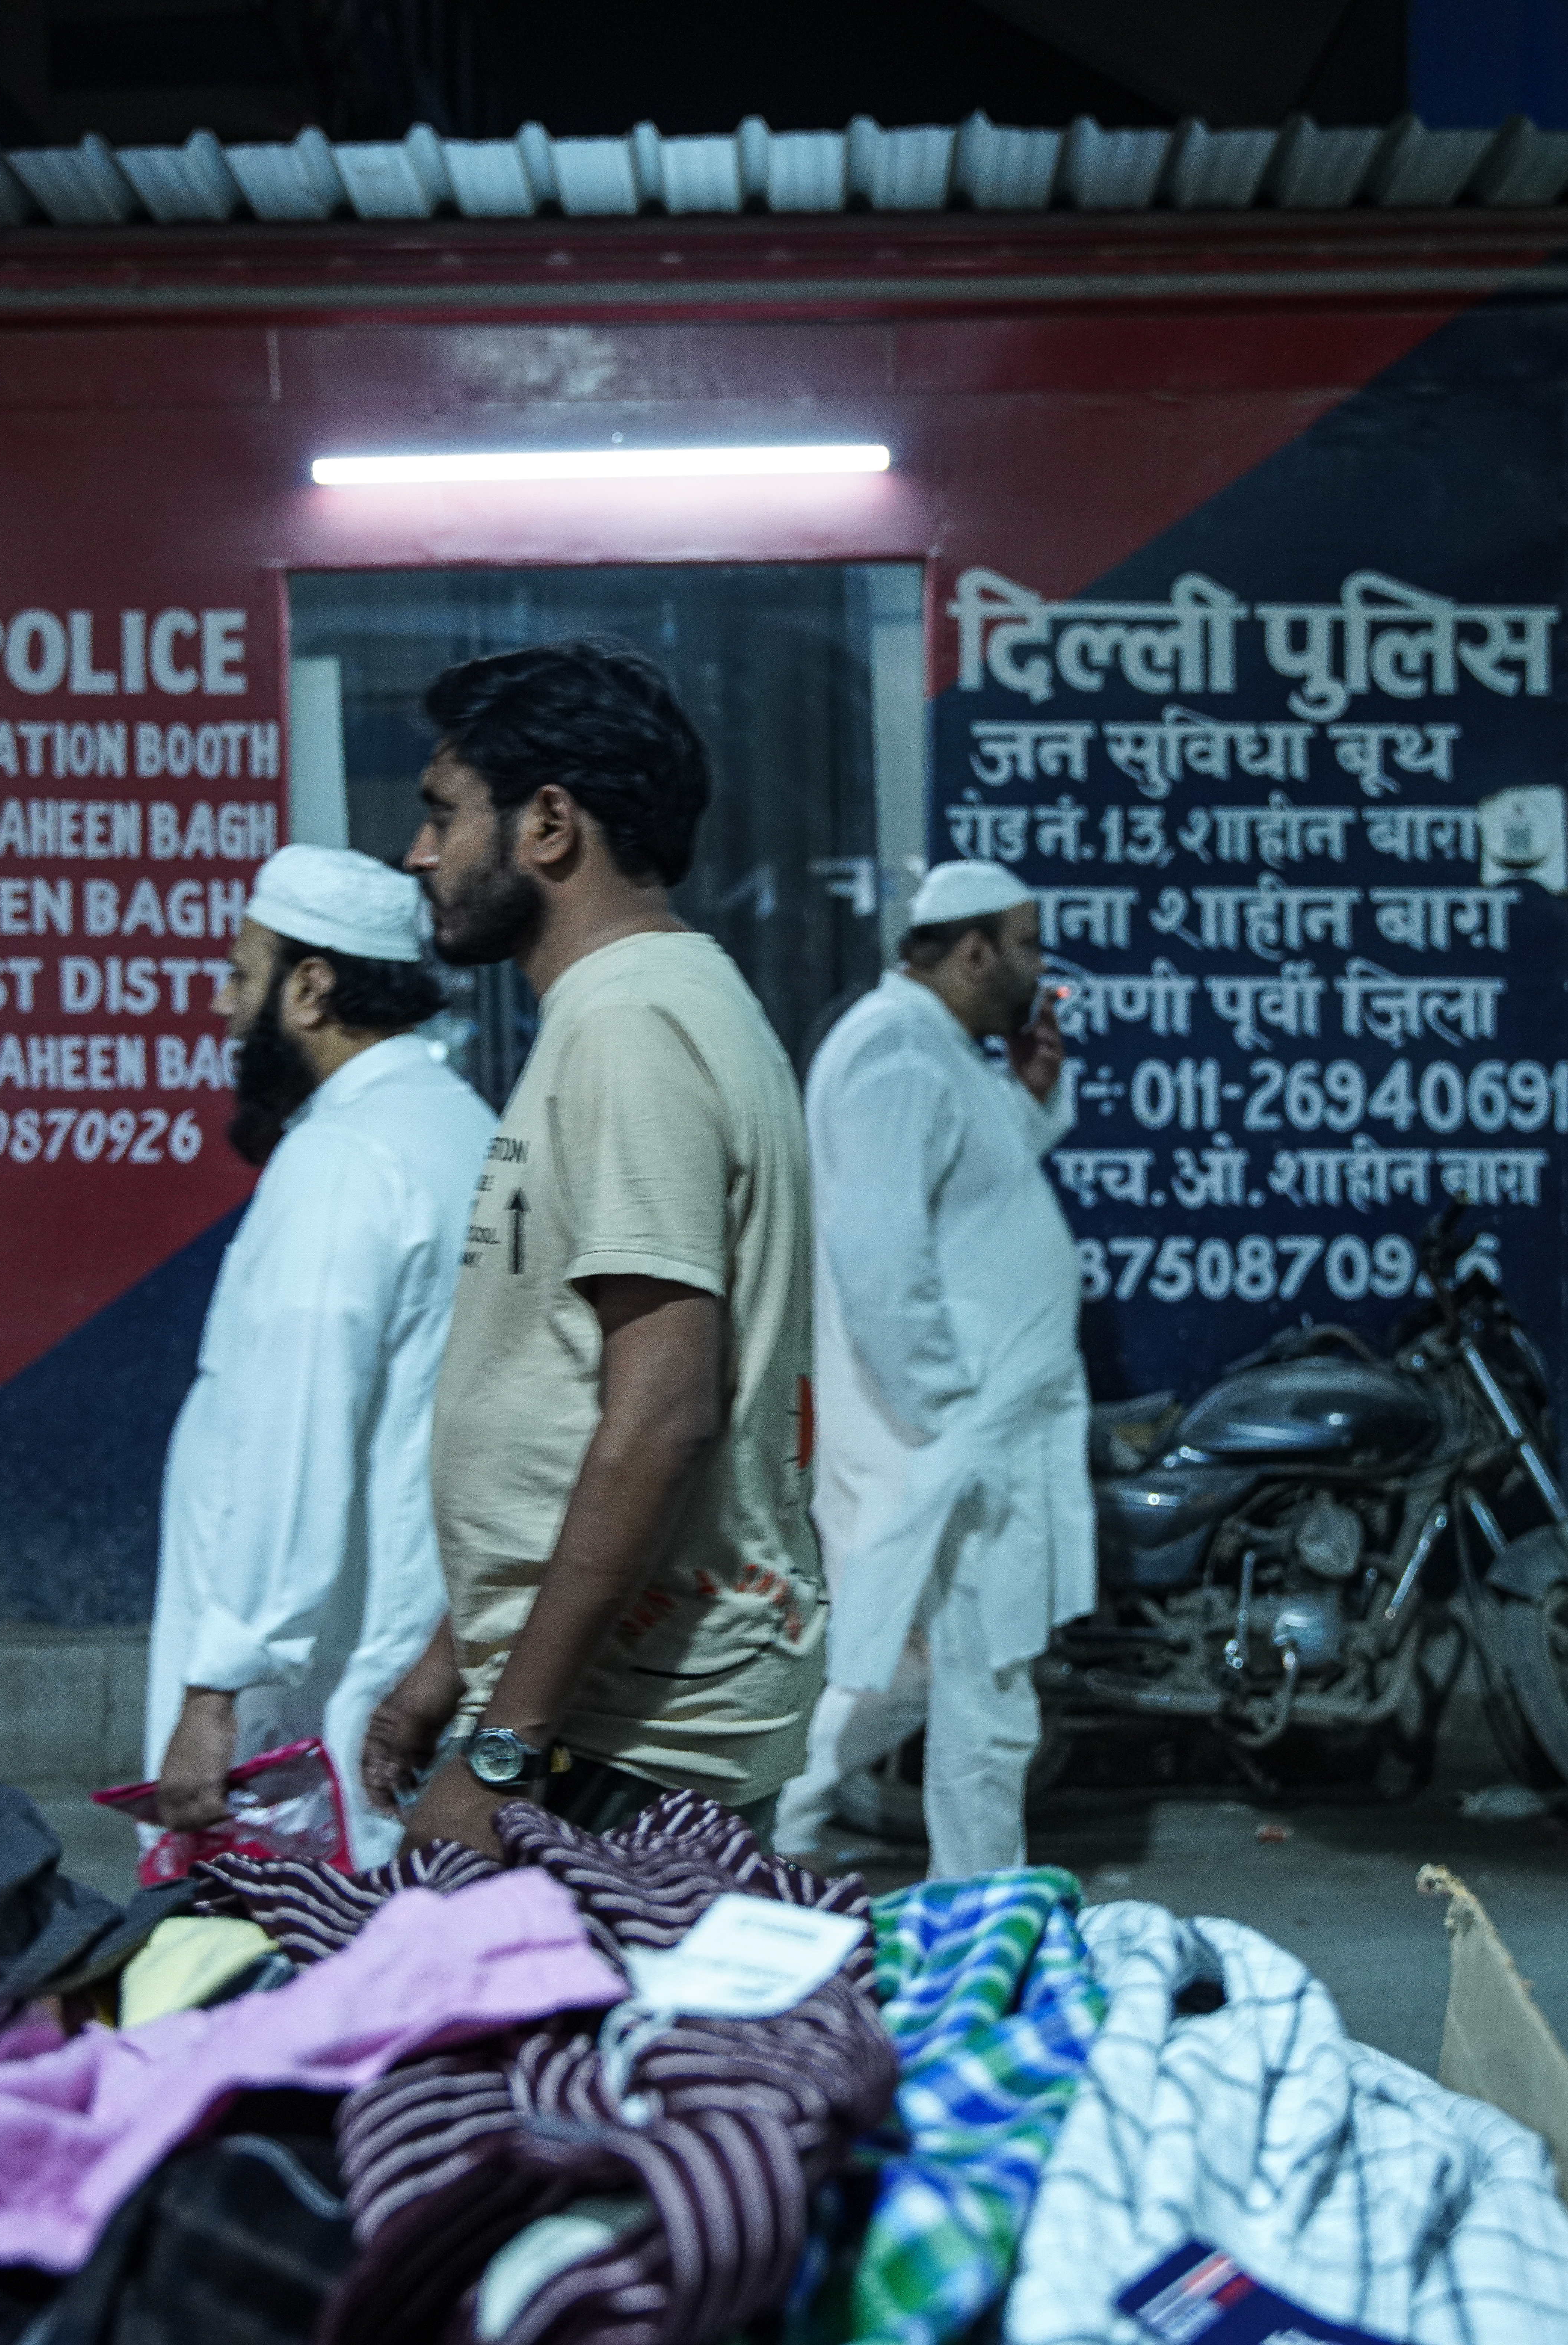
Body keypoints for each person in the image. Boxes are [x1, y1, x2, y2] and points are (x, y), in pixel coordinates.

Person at [364, 635, 822, 1856]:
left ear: (549, 825)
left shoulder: (632, 1028)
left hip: (627, 1744)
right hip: (587, 1715)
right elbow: (566, 1402)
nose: (421, 854)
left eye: (444, 815)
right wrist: (447, 1660)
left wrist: (503, 1747)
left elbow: (660, 1414)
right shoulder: (639, 1010)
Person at [142, 845, 493, 1870]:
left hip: (322, 1694)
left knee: (307, 1992)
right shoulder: (456, 1125)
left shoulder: (343, 1158)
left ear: (310, 988)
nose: (221, 1004)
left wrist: (218, 1692)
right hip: (412, 1651)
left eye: (242, 974)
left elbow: (293, 1432)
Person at [775, 861, 1095, 1875]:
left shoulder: (941, 1053)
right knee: (988, 1699)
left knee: (911, 1674)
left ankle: (766, 1848)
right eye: (1029, 946)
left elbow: (976, 1200)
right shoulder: (897, 1055)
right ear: (973, 951)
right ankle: (983, 1923)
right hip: (951, 1441)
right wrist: (951, 1415)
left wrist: (1033, 1095)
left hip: (966, 1438)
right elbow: (881, 1262)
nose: (1041, 970)